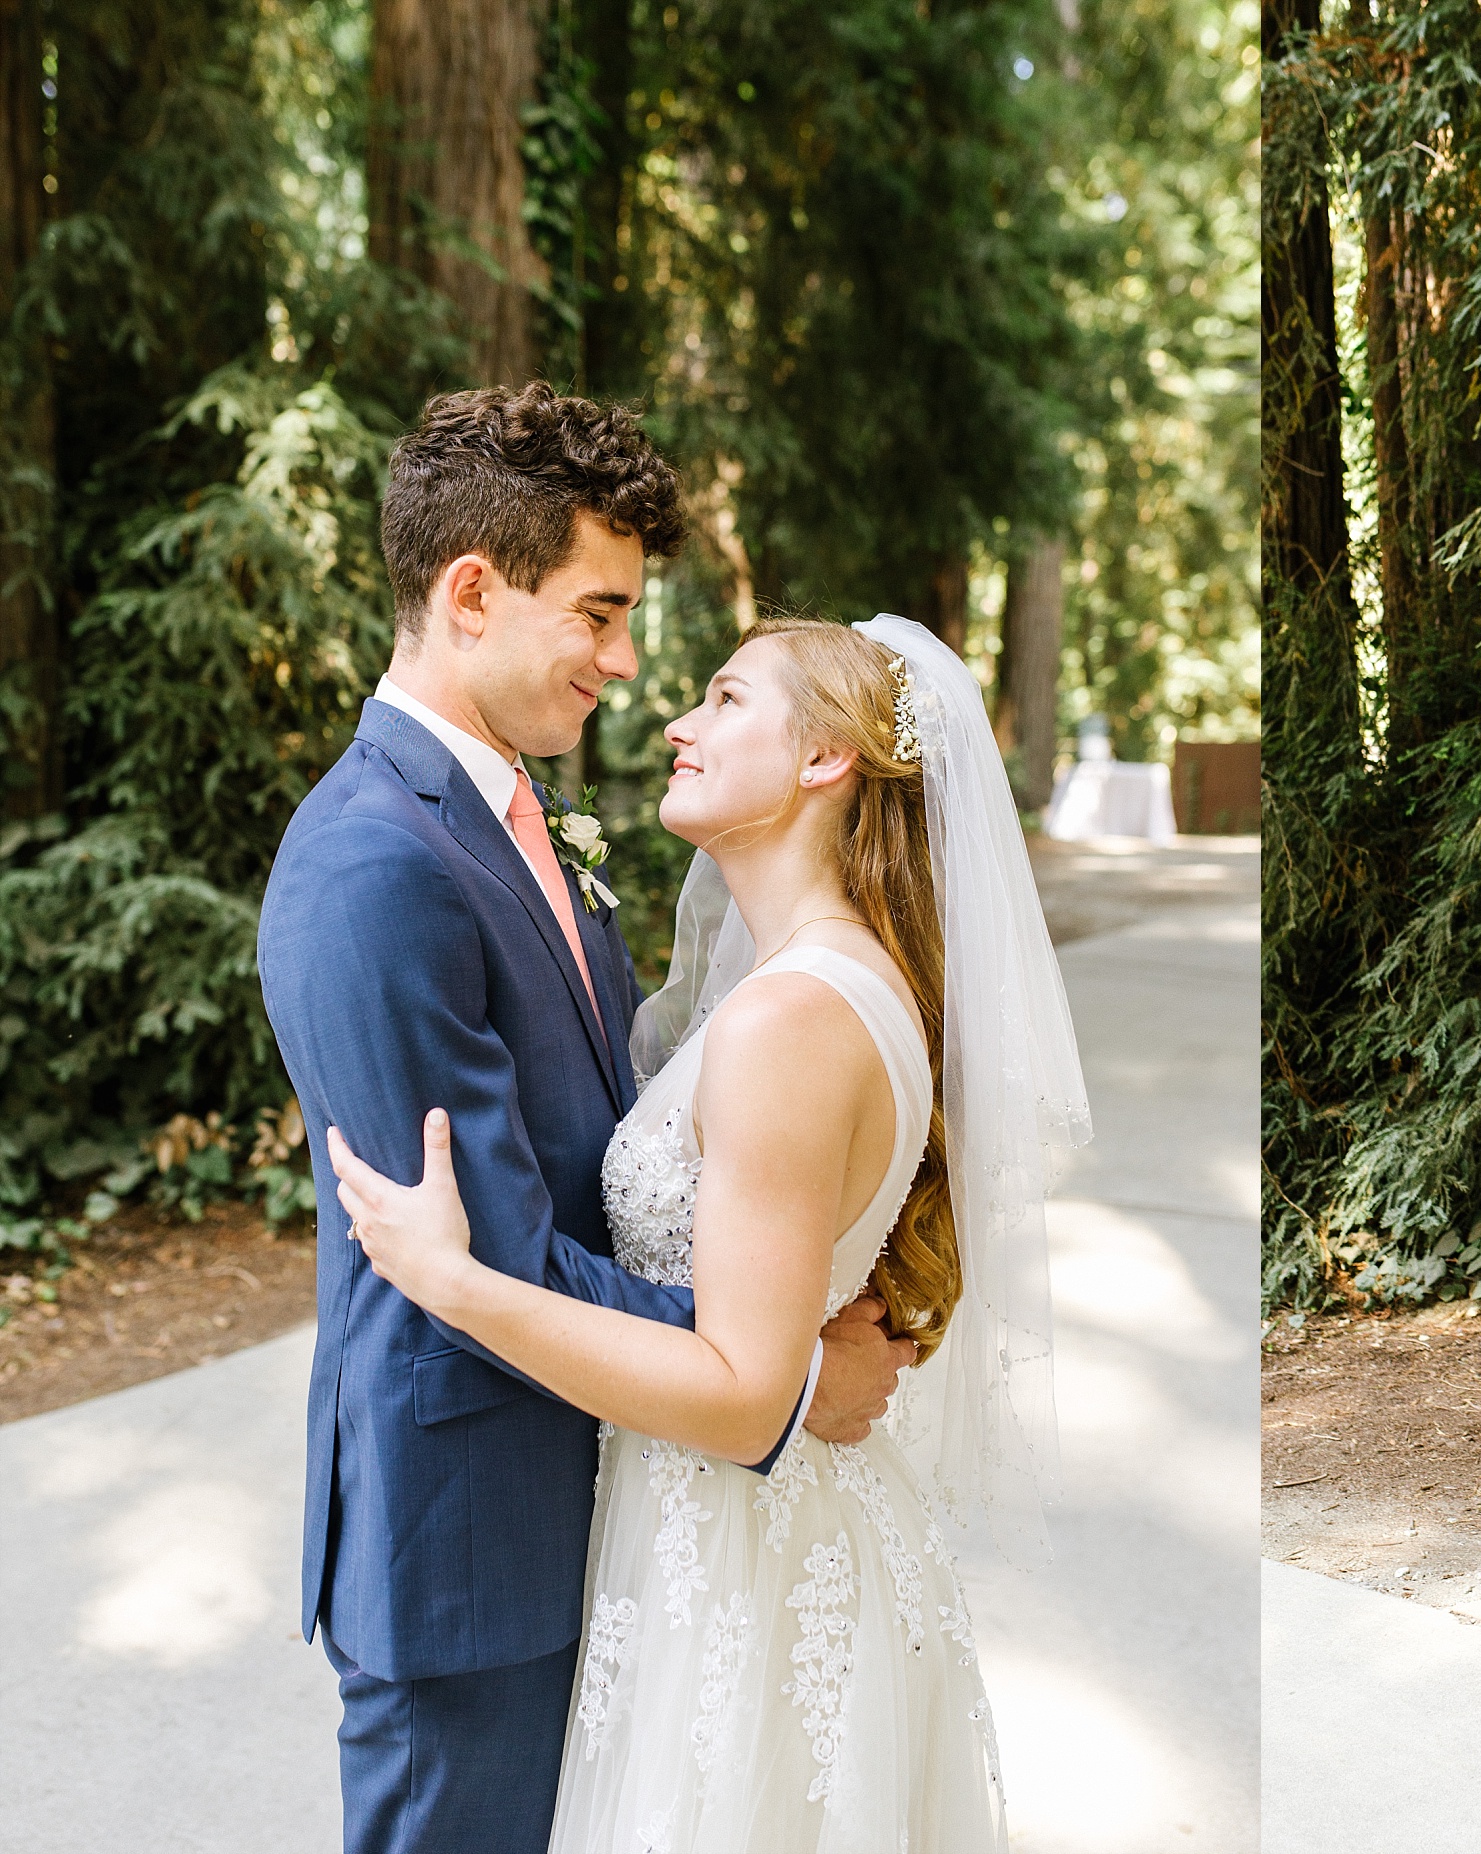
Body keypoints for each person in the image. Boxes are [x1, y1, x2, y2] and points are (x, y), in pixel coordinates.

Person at [257, 385, 916, 1854]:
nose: (626, 662)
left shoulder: (524, 818)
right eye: (600, 613)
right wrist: (782, 1369)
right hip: (474, 1549)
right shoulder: (374, 862)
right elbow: (486, 1248)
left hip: (620, 1525)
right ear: (473, 591)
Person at [330, 612, 1089, 1850]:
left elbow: (745, 1399)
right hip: (739, 1540)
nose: (678, 720)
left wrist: (452, 1281)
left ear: (824, 760)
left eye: (727, 699)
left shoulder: (789, 1019)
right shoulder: (825, 982)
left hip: (746, 1567)